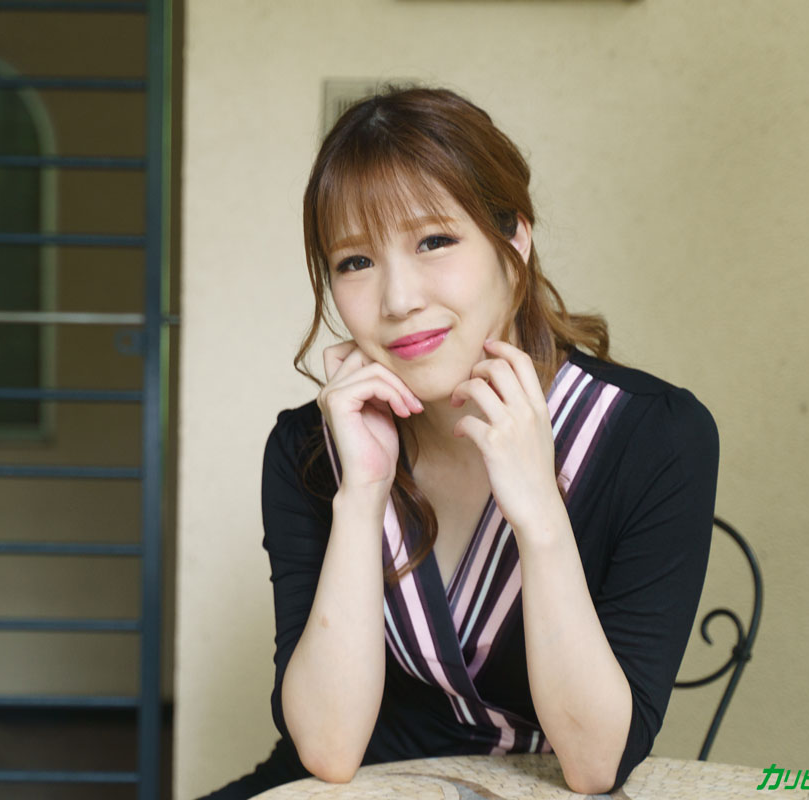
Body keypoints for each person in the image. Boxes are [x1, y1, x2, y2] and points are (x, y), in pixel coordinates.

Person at [198, 86, 719, 799]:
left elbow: (595, 764)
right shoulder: (310, 448)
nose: (398, 299)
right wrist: (363, 496)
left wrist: (539, 512)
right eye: (355, 262)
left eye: (434, 241)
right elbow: (327, 748)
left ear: (514, 239)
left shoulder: (655, 436)